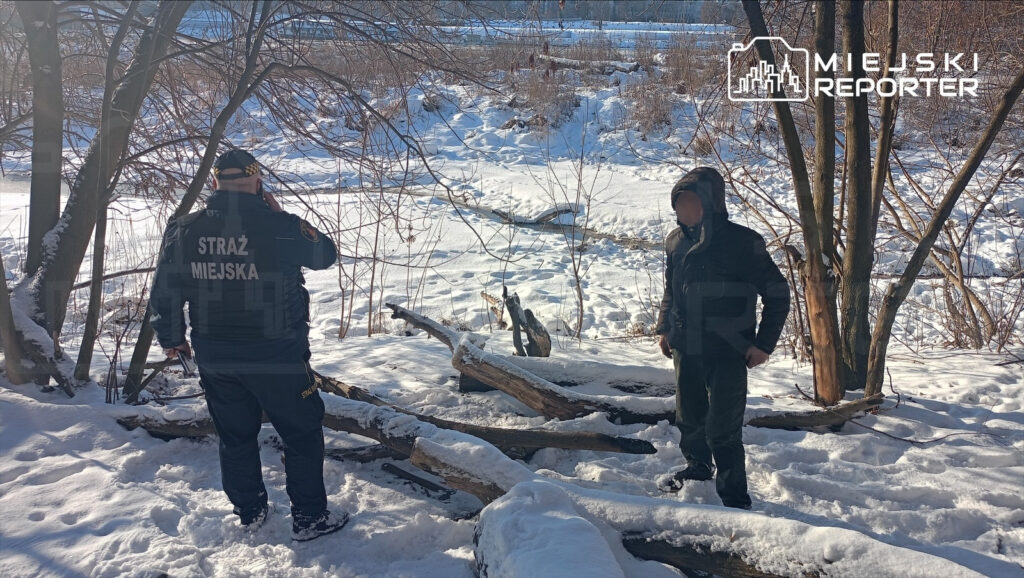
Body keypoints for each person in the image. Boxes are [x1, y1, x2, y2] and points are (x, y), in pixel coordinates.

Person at [149, 149, 346, 541]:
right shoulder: (279, 226)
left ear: (214, 183)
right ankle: (308, 517)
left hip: (216, 354)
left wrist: (172, 338)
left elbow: (165, 292)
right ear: (257, 183)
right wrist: (278, 215)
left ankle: (250, 510)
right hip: (277, 355)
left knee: (235, 434)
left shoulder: (184, 229)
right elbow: (326, 254)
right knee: (302, 430)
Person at [654, 166, 789, 510]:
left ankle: (734, 497)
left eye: (692, 202)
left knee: (723, 429)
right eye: (679, 203)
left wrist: (763, 344)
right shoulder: (675, 242)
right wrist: (665, 328)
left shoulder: (743, 243)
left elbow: (777, 293)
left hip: (729, 349)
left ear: (711, 203)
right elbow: (671, 289)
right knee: (689, 419)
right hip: (687, 346)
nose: (684, 210)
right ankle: (698, 468)